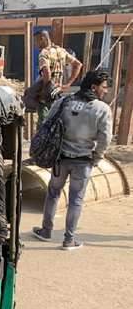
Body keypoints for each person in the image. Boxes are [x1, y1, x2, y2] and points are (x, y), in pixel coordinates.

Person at [32, 70, 112, 251]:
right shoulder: (102, 109)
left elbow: (47, 124)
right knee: (76, 200)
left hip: (60, 159)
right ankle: (69, 240)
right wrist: (96, 158)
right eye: (104, 87)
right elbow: (105, 139)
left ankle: (45, 231)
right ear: (94, 87)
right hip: (83, 162)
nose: (105, 91)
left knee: (53, 193)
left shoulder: (63, 102)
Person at [34, 30, 83, 123]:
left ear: (42, 39)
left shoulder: (44, 53)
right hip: (57, 91)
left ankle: (43, 137)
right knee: (56, 119)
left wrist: (44, 89)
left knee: (44, 121)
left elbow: (47, 72)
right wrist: (67, 84)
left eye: (36, 41)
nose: (35, 44)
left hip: (45, 95)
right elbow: (78, 65)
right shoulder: (61, 51)